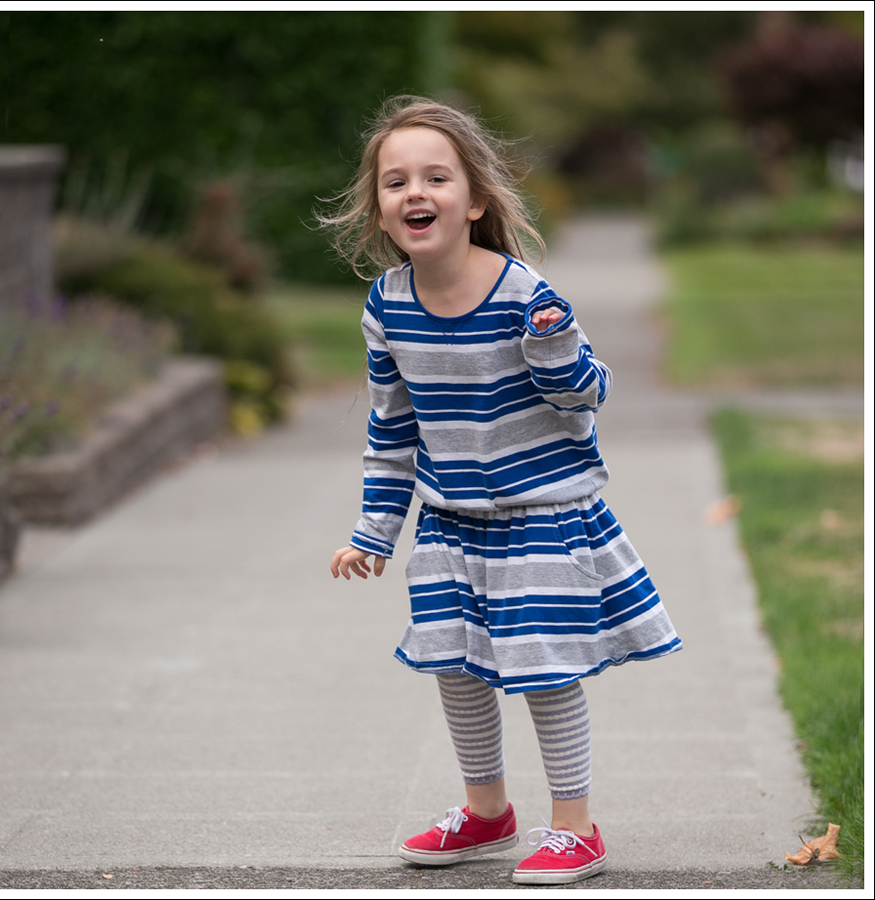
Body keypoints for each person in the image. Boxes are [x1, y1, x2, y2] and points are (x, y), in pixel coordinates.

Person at [321, 95, 682, 886]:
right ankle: (488, 814)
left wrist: (553, 347)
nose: (415, 192)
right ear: (378, 210)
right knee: (454, 665)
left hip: (544, 517)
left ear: (475, 199)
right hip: (451, 521)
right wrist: (374, 533)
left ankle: (576, 828)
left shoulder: (527, 295)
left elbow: (586, 396)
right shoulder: (387, 306)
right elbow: (393, 431)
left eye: (436, 178)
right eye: (395, 182)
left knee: (541, 667)